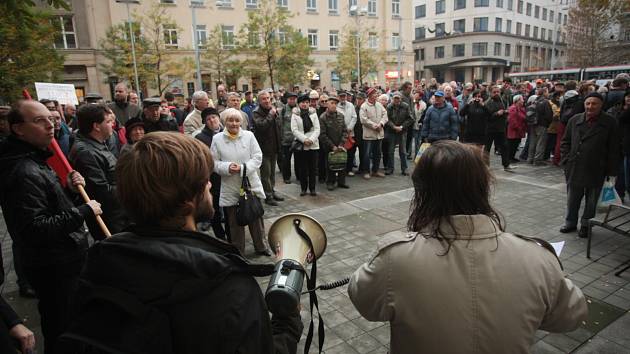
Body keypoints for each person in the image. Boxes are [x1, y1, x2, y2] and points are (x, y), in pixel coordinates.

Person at [63, 131, 302, 353]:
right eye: (204, 181)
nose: (210, 184)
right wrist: (287, 315)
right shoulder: (228, 287)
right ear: (189, 203)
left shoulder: (99, 262)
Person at [348, 140, 588, 354]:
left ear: (422, 192)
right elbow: (570, 317)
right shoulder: (537, 257)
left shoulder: (396, 258)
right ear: (483, 187)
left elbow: (364, 301)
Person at [0, 100, 102, 354]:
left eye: (51, 118)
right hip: (55, 265)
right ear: (18, 129)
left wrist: (68, 188)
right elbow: (35, 228)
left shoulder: (35, 159)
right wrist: (84, 211)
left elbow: (51, 205)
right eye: (40, 120)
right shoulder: (22, 170)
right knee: (64, 328)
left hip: (64, 258)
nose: (51, 125)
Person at [210, 109, 271, 256]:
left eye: (237, 120)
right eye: (230, 120)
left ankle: (261, 246)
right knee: (234, 221)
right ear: (225, 121)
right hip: (230, 184)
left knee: (255, 216)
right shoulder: (217, 139)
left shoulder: (249, 136)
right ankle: (238, 251)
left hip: (249, 182)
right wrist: (227, 167)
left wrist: (244, 168)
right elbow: (213, 162)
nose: (234, 123)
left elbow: (257, 157)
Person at [560, 92, 621, 238]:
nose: (590, 106)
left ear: (601, 105)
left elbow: (614, 148)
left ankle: (586, 225)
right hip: (575, 167)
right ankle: (570, 222)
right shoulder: (575, 120)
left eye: (594, 104)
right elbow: (565, 142)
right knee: (572, 199)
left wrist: (612, 172)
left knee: (591, 201)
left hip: (597, 168)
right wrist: (566, 160)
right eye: (588, 103)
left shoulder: (610, 122)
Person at [69, 104, 128, 240]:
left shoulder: (99, 143)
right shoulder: (86, 152)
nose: (112, 125)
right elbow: (101, 192)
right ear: (96, 126)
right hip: (111, 221)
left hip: (119, 215)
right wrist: (130, 188)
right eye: (108, 122)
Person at [194, 107, 228, 240]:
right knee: (215, 212)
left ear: (219, 118)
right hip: (213, 179)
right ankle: (220, 237)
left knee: (229, 210)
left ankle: (232, 236)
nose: (212, 120)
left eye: (214, 117)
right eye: (208, 119)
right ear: (205, 122)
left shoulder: (227, 132)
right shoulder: (200, 138)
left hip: (228, 176)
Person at [253, 90, 284, 206]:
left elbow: (278, 127)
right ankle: (268, 195)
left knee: (272, 173)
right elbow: (262, 126)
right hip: (263, 149)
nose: (267, 101)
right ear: (259, 101)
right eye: (264, 99)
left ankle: (272, 191)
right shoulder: (256, 112)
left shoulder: (273, 110)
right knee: (266, 174)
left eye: (268, 98)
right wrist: (271, 115)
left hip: (274, 147)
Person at [292, 94, 321, 196]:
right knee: (303, 168)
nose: (305, 104)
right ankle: (303, 188)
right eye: (302, 102)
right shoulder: (295, 114)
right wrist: (304, 140)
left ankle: (312, 188)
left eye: (307, 102)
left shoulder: (313, 113)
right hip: (302, 144)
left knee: (313, 168)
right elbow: (294, 130)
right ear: (299, 104)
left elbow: (317, 129)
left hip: (313, 144)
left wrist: (311, 140)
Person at [319, 95, 349, 190]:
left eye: (335, 103)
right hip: (329, 146)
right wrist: (332, 146)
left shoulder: (341, 116)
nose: (334, 105)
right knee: (330, 164)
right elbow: (322, 134)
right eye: (332, 103)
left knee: (342, 162)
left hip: (340, 144)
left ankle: (341, 181)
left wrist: (341, 144)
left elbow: (345, 131)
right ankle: (330, 182)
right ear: (327, 104)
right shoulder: (323, 117)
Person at [360, 88, 388, 179]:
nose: (376, 95)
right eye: (375, 93)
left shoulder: (379, 105)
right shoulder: (364, 106)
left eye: (376, 93)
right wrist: (374, 125)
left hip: (379, 134)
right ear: (370, 95)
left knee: (378, 153)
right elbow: (363, 119)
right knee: (367, 154)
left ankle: (375, 171)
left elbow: (385, 115)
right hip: (369, 135)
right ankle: (366, 171)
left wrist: (381, 124)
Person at [485, 86, 515, 171]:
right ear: (490, 93)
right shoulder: (488, 103)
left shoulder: (503, 101)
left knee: (504, 146)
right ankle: (486, 166)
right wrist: (497, 114)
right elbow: (487, 117)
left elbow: (506, 110)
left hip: (501, 128)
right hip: (490, 129)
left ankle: (506, 165)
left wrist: (505, 112)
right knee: (487, 148)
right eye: (494, 92)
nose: (496, 93)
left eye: (498, 92)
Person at [385, 92, 413, 175]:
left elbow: (410, 119)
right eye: (395, 98)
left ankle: (404, 169)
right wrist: (394, 126)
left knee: (403, 151)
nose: (396, 100)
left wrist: (401, 127)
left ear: (401, 99)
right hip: (391, 131)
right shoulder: (389, 107)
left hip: (402, 131)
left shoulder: (405, 106)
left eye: (398, 98)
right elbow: (387, 119)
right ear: (392, 99)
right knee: (390, 151)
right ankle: (390, 168)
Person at [527, 87, 553, 165]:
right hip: (542, 125)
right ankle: (537, 160)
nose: (548, 93)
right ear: (544, 92)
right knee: (541, 143)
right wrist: (548, 123)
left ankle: (530, 159)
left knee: (532, 142)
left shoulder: (535, 101)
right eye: (547, 92)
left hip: (533, 124)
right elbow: (549, 115)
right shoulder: (545, 102)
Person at [280, 92, 298, 184]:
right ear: (287, 100)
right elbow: (280, 124)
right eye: (290, 99)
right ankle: (286, 177)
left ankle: (299, 176)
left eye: (294, 99)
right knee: (286, 160)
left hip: (297, 139)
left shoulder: (298, 109)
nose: (292, 100)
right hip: (286, 140)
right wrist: (281, 138)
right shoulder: (283, 110)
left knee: (298, 160)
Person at [337, 91, 357, 176]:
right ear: (338, 97)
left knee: (351, 152)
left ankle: (349, 169)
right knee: (341, 152)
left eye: (344, 96)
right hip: (340, 133)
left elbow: (354, 117)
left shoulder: (351, 105)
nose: (343, 98)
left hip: (350, 133)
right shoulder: (336, 106)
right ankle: (341, 170)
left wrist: (350, 127)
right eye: (341, 97)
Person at [506, 94, 527, 163]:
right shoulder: (513, 108)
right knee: (512, 144)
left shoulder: (520, 108)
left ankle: (512, 157)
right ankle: (509, 158)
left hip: (518, 130)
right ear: (517, 101)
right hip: (514, 130)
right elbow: (512, 120)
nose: (523, 101)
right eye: (522, 99)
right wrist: (518, 127)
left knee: (515, 144)